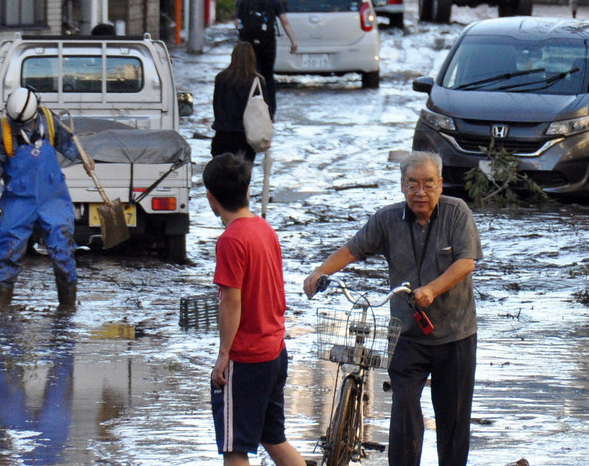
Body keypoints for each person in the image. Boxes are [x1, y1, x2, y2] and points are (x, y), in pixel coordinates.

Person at [303, 151, 483, 466]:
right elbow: (353, 249)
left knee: (453, 420)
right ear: (402, 185)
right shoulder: (387, 219)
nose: (420, 192)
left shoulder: (458, 213)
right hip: (406, 333)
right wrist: (320, 272)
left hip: (455, 334)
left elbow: (466, 262)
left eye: (428, 184)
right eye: (412, 184)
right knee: (404, 407)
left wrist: (432, 288)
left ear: (440, 185)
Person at [205, 154, 306, 466]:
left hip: (247, 358)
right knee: (273, 438)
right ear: (248, 191)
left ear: (211, 199)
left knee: (234, 449)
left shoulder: (230, 240)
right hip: (275, 351)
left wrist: (223, 356)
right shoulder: (264, 229)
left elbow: (231, 301)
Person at [0, 87, 85, 310]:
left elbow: (70, 147)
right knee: (8, 249)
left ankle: (67, 308)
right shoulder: (3, 133)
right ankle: (3, 305)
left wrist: (87, 159)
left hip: (53, 198)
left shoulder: (50, 121)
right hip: (18, 200)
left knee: (62, 249)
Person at [235, 0, 298, 118]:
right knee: (268, 77)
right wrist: (293, 41)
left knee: (249, 76)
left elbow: (237, 23)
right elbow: (285, 21)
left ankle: (248, 111)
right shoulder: (274, 1)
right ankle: (270, 112)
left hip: (248, 46)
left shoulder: (244, 1)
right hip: (268, 44)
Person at [212, 42, 264, 161]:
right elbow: (265, 110)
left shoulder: (221, 78)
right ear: (252, 58)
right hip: (246, 137)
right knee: (242, 175)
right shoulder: (256, 82)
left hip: (222, 135)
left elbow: (217, 106)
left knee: (222, 175)